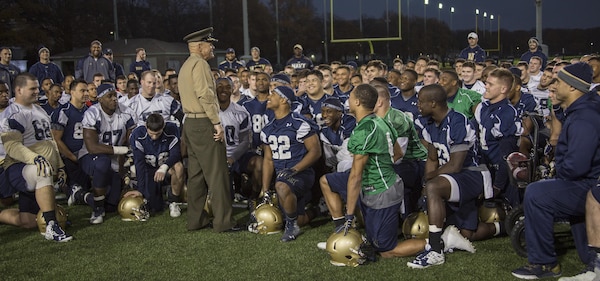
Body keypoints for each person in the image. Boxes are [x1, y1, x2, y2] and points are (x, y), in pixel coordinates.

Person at [511, 63, 600, 279]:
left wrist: (557, 172)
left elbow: (577, 165)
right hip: (587, 182)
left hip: (590, 185)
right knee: (585, 255)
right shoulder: (582, 110)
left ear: (572, 88)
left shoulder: (585, 117)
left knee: (536, 194)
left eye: (559, 81)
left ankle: (544, 263)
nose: (554, 84)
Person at [408, 84, 492, 268]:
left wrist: (430, 182)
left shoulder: (458, 121)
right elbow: (432, 157)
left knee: (434, 188)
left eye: (421, 101)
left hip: (472, 174)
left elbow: (455, 165)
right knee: (466, 234)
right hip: (451, 178)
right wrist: (427, 178)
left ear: (433, 103)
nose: (417, 105)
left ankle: (435, 249)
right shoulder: (428, 124)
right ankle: (502, 226)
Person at [179, 27, 241, 232]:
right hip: (204, 122)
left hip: (190, 122)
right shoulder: (200, 64)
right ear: (199, 46)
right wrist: (216, 122)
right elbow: (205, 95)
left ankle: (196, 220)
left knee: (195, 176)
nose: (213, 47)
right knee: (217, 174)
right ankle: (224, 222)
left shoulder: (186, 65)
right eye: (209, 43)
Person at [336, 84, 406, 258]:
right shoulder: (379, 121)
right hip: (384, 185)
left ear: (357, 102)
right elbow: (398, 153)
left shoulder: (366, 129)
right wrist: (380, 165)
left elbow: (355, 176)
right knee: (373, 243)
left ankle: (439, 242)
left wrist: (349, 214)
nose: (348, 100)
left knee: (386, 250)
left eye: (351, 97)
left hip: (381, 190)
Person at [0, 73, 72, 242]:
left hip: (36, 167)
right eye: (32, 88)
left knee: (28, 221)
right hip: (19, 167)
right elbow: (12, 146)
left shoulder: (38, 109)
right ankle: (51, 225)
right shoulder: (12, 114)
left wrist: (60, 165)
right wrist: (35, 159)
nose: (37, 91)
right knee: (43, 171)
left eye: (37, 88)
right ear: (19, 90)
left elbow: (50, 141)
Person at [260, 85, 321, 241]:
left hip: (301, 173)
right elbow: (268, 160)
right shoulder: (268, 128)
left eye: (272, 94)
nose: (268, 96)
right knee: (291, 217)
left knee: (281, 186)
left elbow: (315, 152)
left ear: (283, 100)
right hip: (281, 175)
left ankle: (292, 227)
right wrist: (265, 189)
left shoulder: (299, 123)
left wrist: (294, 169)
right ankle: (317, 210)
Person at [76, 84, 136, 224]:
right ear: (100, 99)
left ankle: (83, 196)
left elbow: (129, 141)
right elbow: (92, 147)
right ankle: (97, 209)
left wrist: (123, 167)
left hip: (114, 158)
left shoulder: (126, 112)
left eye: (115, 95)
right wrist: (120, 150)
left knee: (111, 204)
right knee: (103, 162)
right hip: (90, 157)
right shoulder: (93, 113)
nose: (114, 99)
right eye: (109, 96)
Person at [474, 68, 521, 206]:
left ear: (503, 89)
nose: (485, 86)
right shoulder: (483, 107)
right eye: (486, 83)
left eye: (490, 84)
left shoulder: (506, 113)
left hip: (500, 174)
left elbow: (507, 155)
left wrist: (498, 186)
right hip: (484, 168)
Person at [127, 113, 184, 217]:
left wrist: (164, 167)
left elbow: (176, 155)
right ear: (146, 126)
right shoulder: (138, 134)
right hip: (149, 170)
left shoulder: (171, 129)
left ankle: (173, 201)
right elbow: (139, 164)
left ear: (163, 127)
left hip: (166, 168)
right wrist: (140, 190)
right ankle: (162, 191)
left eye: (157, 134)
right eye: (151, 133)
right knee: (154, 207)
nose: (154, 137)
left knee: (178, 167)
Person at [50, 79, 91, 205]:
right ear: (72, 92)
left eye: (87, 91)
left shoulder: (91, 111)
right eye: (82, 91)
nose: (86, 94)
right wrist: (72, 156)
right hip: (70, 156)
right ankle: (67, 186)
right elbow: (56, 139)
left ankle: (73, 189)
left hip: (87, 154)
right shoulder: (63, 111)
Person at [215, 77, 252, 199]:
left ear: (232, 90)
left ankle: (253, 196)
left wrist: (232, 158)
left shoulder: (241, 112)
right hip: (213, 156)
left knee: (257, 164)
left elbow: (245, 141)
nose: (223, 90)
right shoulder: (207, 111)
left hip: (235, 155)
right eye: (220, 86)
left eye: (227, 87)